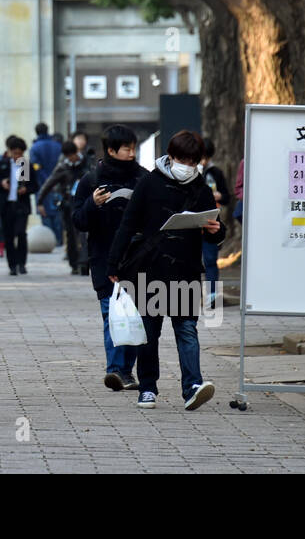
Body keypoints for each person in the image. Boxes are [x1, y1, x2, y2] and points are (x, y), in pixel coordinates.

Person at [107, 130, 224, 411]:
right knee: (150, 332)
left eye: (193, 161)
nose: (187, 165)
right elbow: (127, 225)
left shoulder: (201, 188)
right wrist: (113, 263)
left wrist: (215, 231)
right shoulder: (149, 183)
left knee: (187, 329)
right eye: (183, 159)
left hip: (185, 269)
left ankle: (192, 387)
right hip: (151, 270)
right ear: (170, 156)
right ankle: (148, 388)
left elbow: (214, 232)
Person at [71, 124, 147, 391]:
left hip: (137, 258)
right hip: (103, 257)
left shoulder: (143, 179)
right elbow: (78, 221)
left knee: (135, 316)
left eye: (133, 148)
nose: (131, 153)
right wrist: (93, 204)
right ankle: (115, 370)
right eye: (127, 148)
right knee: (112, 314)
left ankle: (126, 370)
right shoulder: (91, 181)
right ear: (112, 150)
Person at [36, 139, 90, 273]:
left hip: (86, 203)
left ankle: (84, 262)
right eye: (68, 157)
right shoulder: (62, 167)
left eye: (72, 156)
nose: (71, 159)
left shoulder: (87, 163)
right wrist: (40, 201)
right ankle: (74, 263)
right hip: (69, 205)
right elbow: (49, 183)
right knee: (71, 235)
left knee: (84, 234)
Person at [0, 135, 33, 275]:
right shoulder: (2, 164)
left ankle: (22, 263)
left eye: (20, 153)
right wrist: (2, 183)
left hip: (21, 205)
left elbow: (34, 185)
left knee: (21, 234)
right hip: (6, 205)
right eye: (15, 153)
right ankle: (12, 265)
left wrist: (26, 189)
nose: (17, 156)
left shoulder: (25, 166)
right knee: (8, 236)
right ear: (9, 151)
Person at [200, 138, 232, 308]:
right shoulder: (189, 172)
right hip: (192, 224)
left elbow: (227, 197)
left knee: (211, 260)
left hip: (212, 223)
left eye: (206, 157)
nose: (203, 161)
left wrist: (220, 196)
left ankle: (212, 295)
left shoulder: (216, 173)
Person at [29, 122, 62, 243]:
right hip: (58, 184)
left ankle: (50, 241)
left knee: (45, 213)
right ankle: (59, 240)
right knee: (57, 212)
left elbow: (36, 169)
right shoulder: (58, 146)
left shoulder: (34, 148)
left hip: (42, 185)